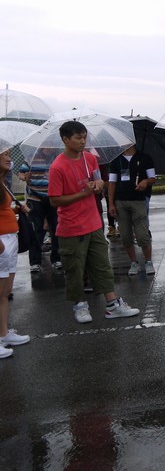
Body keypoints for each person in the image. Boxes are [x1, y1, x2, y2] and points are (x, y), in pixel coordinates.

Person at [47, 121, 141, 323]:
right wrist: (83, 193)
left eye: (84, 137)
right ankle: (80, 305)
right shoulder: (57, 167)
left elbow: (100, 179)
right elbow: (54, 200)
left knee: (102, 265)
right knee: (75, 269)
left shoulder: (89, 158)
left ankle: (112, 304)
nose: (83, 141)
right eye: (78, 138)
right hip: (71, 227)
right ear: (65, 139)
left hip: (94, 223)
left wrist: (98, 184)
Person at [108, 145, 157, 275]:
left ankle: (148, 261)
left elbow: (153, 178)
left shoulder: (145, 158)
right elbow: (112, 183)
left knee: (142, 235)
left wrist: (145, 182)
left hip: (139, 200)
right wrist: (111, 204)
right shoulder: (115, 161)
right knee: (125, 236)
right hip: (120, 201)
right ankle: (133, 262)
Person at [1, 149, 31, 359]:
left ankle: (3, 333)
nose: (9, 159)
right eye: (4, 155)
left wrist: (14, 211)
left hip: (10, 238)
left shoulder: (2, 182)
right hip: (2, 241)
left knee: (4, 292)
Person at [16, 154, 61, 272]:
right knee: (36, 230)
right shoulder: (31, 158)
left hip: (53, 197)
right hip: (35, 198)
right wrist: (25, 177)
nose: (48, 148)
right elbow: (20, 174)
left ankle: (57, 259)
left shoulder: (57, 158)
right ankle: (35, 262)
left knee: (56, 229)